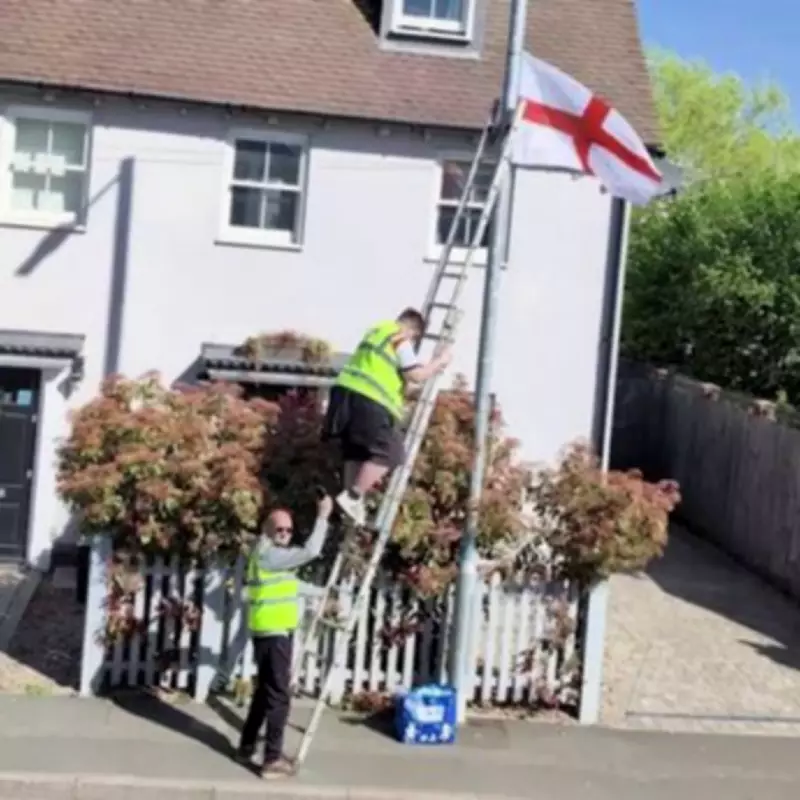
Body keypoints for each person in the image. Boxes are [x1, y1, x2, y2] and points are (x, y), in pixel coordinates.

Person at [322, 307, 451, 526]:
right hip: (370, 400)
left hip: (344, 395)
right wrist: (439, 362)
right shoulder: (399, 336)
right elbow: (416, 375)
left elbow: (387, 371)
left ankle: (351, 500)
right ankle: (353, 496)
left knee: (356, 451)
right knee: (392, 453)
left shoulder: (376, 332)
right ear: (413, 330)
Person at [235, 494, 333, 778]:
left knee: (265, 692)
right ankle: (272, 760)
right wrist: (323, 516)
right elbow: (311, 551)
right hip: (275, 634)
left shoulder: (267, 557)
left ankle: (246, 744)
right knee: (279, 696)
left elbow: (291, 585)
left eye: (289, 530)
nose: (285, 534)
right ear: (266, 529)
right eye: (279, 529)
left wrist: (323, 594)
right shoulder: (271, 555)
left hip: (266, 632)